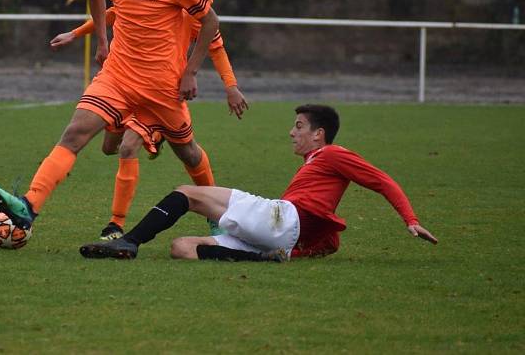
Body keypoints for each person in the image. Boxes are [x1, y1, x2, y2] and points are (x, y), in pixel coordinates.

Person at [0, 0, 221, 239]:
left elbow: (211, 22)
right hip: (118, 76)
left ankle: (217, 213)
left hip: (162, 86)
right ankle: (29, 206)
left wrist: (190, 72)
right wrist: (101, 40)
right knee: (74, 133)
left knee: (189, 152)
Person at [49, 0, 248, 240]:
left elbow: (216, 45)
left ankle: (122, 224)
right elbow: (114, 13)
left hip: (165, 90)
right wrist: (76, 33)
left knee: (155, 150)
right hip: (127, 80)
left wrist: (230, 85)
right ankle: (153, 139)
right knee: (109, 147)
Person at [79, 104, 438, 261]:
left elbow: (382, 181)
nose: (291, 133)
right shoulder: (317, 165)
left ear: (319, 135)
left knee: (187, 193)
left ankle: (127, 242)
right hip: (281, 236)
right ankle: (263, 260)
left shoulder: (332, 154)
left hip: (282, 218)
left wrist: (410, 220)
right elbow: (326, 238)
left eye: (299, 127)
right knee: (182, 248)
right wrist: (299, 250)